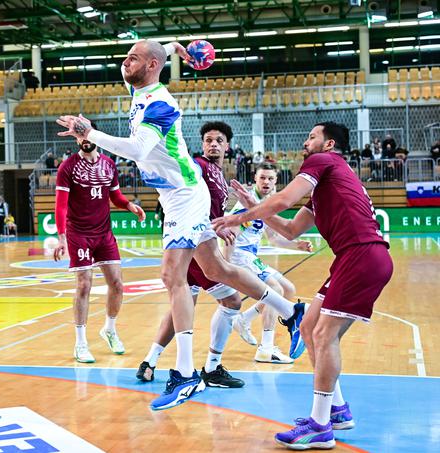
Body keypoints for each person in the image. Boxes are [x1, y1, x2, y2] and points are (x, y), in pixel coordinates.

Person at [57, 39, 305, 411]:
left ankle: (187, 374)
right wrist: (174, 47)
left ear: (152, 65)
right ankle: (290, 312)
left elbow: (139, 150)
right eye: (126, 56)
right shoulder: (140, 87)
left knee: (174, 277)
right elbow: (143, 63)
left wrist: (89, 133)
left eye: (133, 58)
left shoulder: (160, 102)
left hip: (186, 194)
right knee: (217, 268)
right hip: (175, 196)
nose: (125, 62)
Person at [213, 122, 393, 450]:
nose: (306, 142)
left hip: (362, 255)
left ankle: (320, 425)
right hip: (353, 258)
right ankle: (337, 410)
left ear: (330, 144)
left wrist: (238, 216)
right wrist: (252, 203)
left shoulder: (324, 162)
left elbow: (282, 199)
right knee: (309, 327)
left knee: (324, 335)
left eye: (312, 137)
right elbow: (291, 229)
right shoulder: (328, 184)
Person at [136, 121, 247, 389]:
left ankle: (150, 361)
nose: (213, 144)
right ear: (202, 145)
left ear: (227, 146)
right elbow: (188, 205)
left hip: (196, 244)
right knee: (232, 301)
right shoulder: (199, 166)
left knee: (182, 306)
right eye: (208, 140)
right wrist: (213, 228)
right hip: (196, 246)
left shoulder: (219, 174)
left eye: (219, 140)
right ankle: (211, 368)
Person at [53, 120, 145, 363]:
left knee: (117, 284)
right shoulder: (67, 167)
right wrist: (61, 237)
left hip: (104, 233)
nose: (84, 138)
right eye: (79, 134)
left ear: (94, 134)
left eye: (87, 132)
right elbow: (61, 206)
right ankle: (80, 343)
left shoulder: (109, 164)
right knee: (84, 285)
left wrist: (128, 205)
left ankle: (109, 330)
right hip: (79, 234)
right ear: (76, 138)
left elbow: (114, 195)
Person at [225, 163, 313, 364]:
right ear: (255, 179)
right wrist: (227, 267)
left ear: (276, 182)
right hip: (240, 256)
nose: (266, 182)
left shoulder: (266, 203)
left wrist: (296, 245)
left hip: (251, 257)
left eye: (270, 178)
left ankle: (243, 319)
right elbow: (231, 235)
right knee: (275, 289)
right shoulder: (248, 203)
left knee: (288, 289)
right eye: (262, 178)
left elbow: (273, 238)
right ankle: (266, 349)